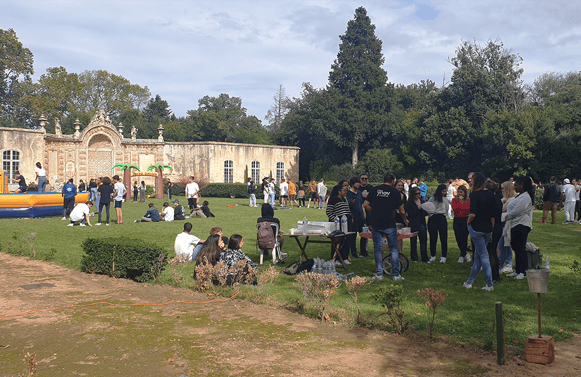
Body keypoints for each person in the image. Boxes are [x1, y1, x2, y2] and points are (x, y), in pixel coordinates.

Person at [363, 174, 408, 281]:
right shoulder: (395, 192)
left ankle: (379, 274)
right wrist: (405, 219)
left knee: (378, 249)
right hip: (390, 224)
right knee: (393, 249)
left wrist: (373, 212)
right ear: (392, 181)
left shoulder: (375, 190)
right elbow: (401, 210)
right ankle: (396, 275)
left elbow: (365, 205)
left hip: (376, 224)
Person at [463, 172, 496, 291]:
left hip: (476, 228)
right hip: (487, 228)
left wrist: (467, 223)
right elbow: (493, 215)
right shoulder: (491, 195)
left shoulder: (474, 195)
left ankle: (490, 284)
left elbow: (473, 213)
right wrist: (491, 230)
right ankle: (469, 282)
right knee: (478, 256)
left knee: (483, 256)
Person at [505, 176, 534, 279]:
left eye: (516, 185)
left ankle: (523, 272)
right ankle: (518, 270)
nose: (514, 187)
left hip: (521, 224)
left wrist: (504, 217)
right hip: (515, 224)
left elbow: (516, 211)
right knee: (516, 248)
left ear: (522, 186)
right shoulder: (520, 196)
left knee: (520, 248)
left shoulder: (525, 197)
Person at [326, 184, 352, 264]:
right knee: (337, 241)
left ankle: (344, 257)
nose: (345, 193)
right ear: (339, 191)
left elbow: (347, 210)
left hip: (346, 221)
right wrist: (335, 220)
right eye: (344, 191)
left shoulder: (344, 200)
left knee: (345, 240)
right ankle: (335, 258)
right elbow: (329, 211)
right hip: (337, 222)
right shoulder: (333, 199)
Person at [427, 184, 450, 263]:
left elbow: (446, 209)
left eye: (445, 191)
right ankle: (433, 255)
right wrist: (431, 215)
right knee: (433, 238)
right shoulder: (432, 198)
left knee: (443, 237)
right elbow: (428, 207)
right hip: (433, 217)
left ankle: (444, 256)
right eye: (443, 191)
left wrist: (443, 215)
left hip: (441, 217)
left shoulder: (445, 199)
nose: (444, 193)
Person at [486, 179, 503, 283]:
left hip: (492, 227)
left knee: (491, 252)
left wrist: (490, 231)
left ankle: (494, 276)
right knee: (493, 251)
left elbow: (492, 216)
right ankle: (495, 275)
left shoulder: (490, 199)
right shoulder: (498, 199)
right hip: (498, 226)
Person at [499, 181, 517, 273]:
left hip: (508, 225)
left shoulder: (512, 200)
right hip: (503, 225)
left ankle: (508, 264)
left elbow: (504, 211)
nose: (502, 190)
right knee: (502, 245)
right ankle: (502, 264)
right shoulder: (505, 199)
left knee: (505, 245)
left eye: (503, 188)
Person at [406, 186, 428, 262]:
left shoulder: (422, 201)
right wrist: (417, 208)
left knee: (423, 241)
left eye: (419, 193)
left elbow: (424, 213)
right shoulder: (409, 203)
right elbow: (410, 213)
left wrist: (425, 211)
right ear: (413, 194)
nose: (418, 195)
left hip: (421, 222)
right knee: (413, 241)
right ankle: (414, 257)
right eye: (416, 194)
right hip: (413, 223)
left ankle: (424, 258)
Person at [451, 185, 471, 263]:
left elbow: (467, 209)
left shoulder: (468, 200)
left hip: (465, 219)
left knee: (464, 237)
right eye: (458, 192)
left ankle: (462, 255)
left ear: (465, 193)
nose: (459, 194)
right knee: (458, 237)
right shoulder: (454, 200)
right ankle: (464, 254)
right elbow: (455, 209)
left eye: (461, 192)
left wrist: (461, 203)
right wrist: (459, 202)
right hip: (457, 219)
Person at [347, 176, 365, 259]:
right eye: (357, 182)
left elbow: (362, 204)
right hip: (353, 216)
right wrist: (351, 217)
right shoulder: (348, 193)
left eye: (359, 182)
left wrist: (364, 214)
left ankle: (363, 251)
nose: (359, 184)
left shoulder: (360, 193)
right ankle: (353, 252)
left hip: (360, 216)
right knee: (353, 236)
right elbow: (347, 207)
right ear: (352, 183)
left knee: (364, 235)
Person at [358, 173, 373, 257]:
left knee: (370, 229)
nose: (364, 180)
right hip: (360, 212)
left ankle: (366, 248)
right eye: (362, 178)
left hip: (369, 212)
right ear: (360, 180)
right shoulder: (357, 188)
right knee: (363, 231)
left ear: (368, 180)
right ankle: (362, 250)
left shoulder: (371, 188)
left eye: (365, 179)